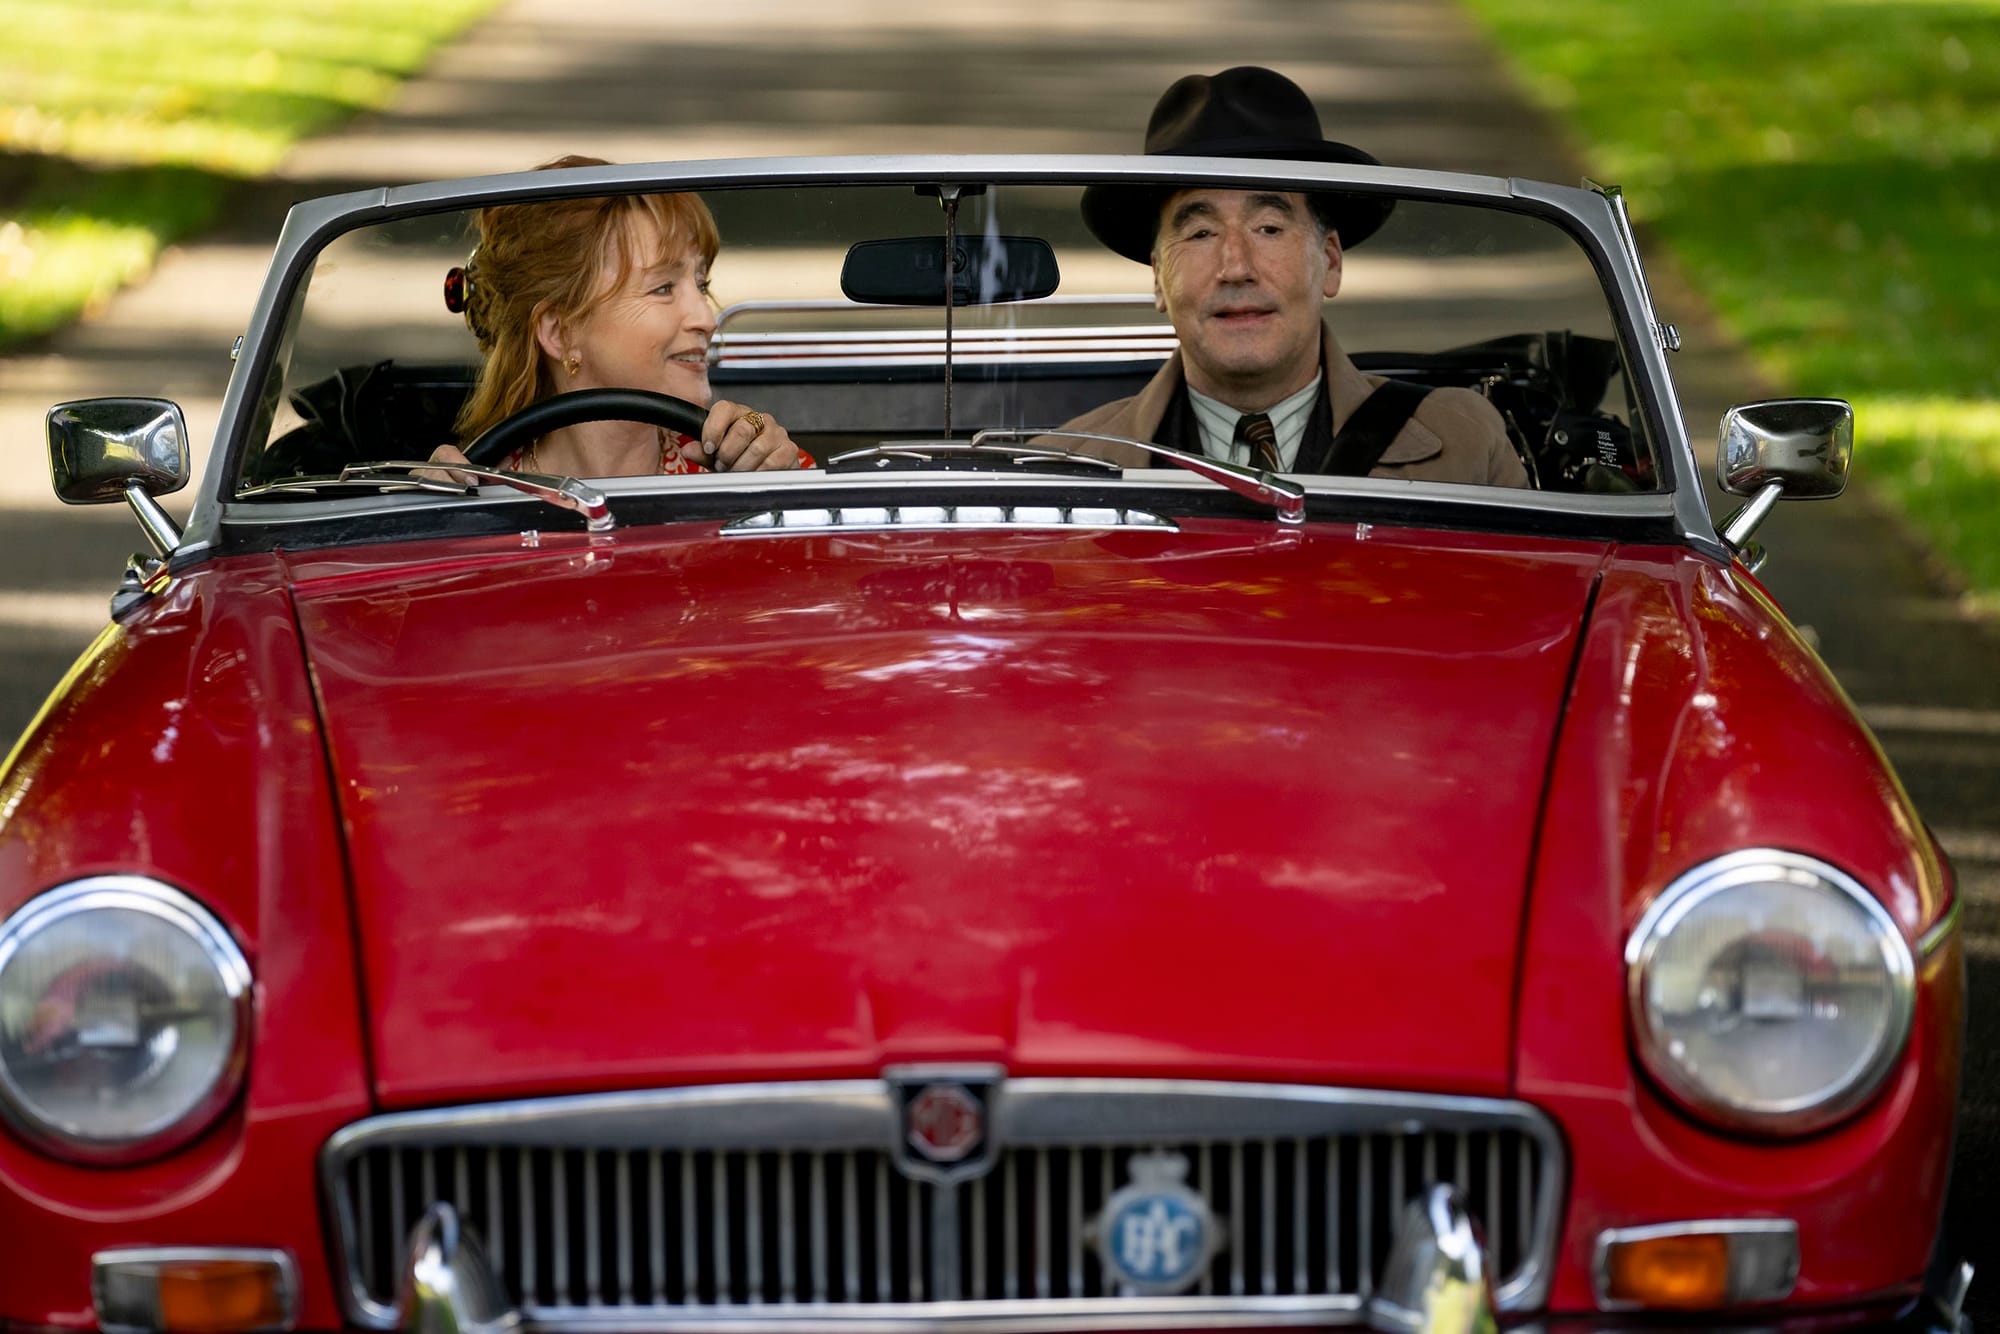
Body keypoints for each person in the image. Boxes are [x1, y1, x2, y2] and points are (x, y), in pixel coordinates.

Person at [1060, 68, 1527, 487]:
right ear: (1160, 277)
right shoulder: (1064, 468)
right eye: (1200, 232)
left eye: (1269, 228)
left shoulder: (1465, 448)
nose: (1235, 268)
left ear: (1330, 261)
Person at [427, 155, 809, 477]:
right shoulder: (476, 495)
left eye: (701, 284)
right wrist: (418, 522)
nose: (706, 319)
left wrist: (780, 494)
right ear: (560, 332)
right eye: (663, 288)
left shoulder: (743, 470)